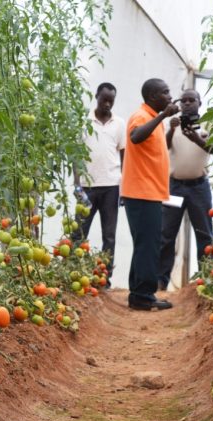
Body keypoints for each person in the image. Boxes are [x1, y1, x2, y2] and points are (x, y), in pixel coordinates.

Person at [121, 78, 180, 311]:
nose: (170, 96)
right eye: (165, 92)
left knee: (144, 244)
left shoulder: (153, 118)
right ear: (153, 96)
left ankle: (138, 294)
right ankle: (144, 296)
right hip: (142, 193)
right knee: (148, 245)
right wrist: (163, 115)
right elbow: (135, 137)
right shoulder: (141, 116)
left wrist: (165, 121)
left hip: (148, 192)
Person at [157, 89, 213, 291]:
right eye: (184, 100)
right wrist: (172, 130)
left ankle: (208, 280)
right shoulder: (172, 124)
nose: (187, 103)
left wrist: (196, 139)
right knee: (166, 234)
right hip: (175, 187)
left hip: (199, 186)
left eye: (192, 100)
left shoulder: (208, 124)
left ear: (200, 103)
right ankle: (160, 282)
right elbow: (162, 148)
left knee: (204, 234)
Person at [72, 82, 126, 282]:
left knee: (109, 235)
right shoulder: (84, 122)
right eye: (104, 99)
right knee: (79, 232)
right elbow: (76, 155)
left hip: (111, 187)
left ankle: (105, 278)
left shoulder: (119, 123)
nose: (107, 104)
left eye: (111, 100)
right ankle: (73, 273)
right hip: (87, 187)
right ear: (96, 97)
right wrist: (77, 185)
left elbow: (124, 155)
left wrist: (124, 185)